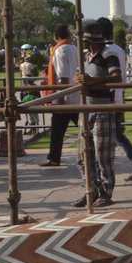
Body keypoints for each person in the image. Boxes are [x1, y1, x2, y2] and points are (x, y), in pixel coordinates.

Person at [73, 22, 120, 207]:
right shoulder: (85, 56)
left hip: (102, 109)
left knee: (103, 154)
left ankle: (106, 192)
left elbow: (117, 78)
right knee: (83, 154)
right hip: (86, 110)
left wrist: (94, 81)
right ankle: (89, 189)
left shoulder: (109, 55)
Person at [98, 17, 132, 181]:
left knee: (109, 136)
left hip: (108, 99)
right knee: (117, 135)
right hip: (118, 96)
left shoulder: (105, 51)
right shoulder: (119, 49)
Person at [39, 25, 79, 167]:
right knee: (84, 129)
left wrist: (60, 100)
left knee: (57, 131)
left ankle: (54, 158)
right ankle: (90, 154)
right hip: (77, 96)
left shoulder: (60, 50)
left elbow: (63, 77)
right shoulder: (75, 48)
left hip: (64, 97)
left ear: (56, 36)